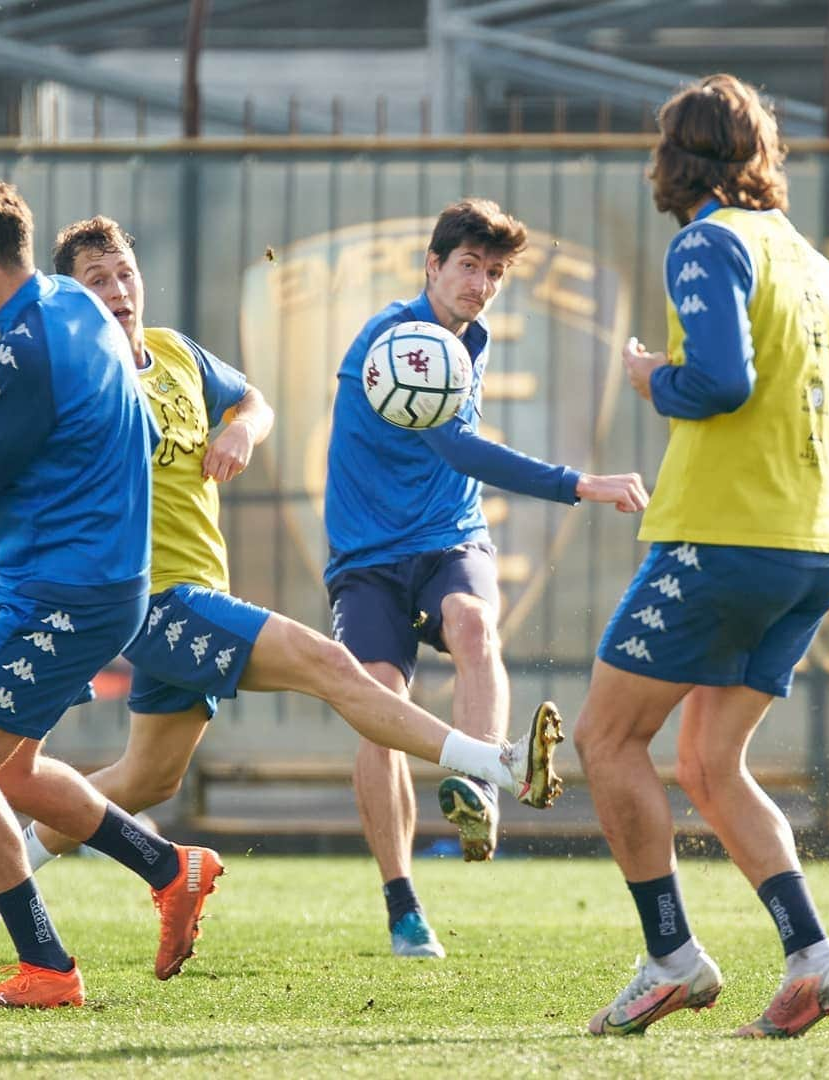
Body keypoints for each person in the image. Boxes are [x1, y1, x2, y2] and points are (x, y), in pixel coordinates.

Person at [0, 214, 568, 964]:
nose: (116, 292)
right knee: (330, 667)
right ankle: (491, 764)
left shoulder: (174, 354)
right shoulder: (65, 368)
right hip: (146, 600)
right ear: (73, 299)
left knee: (145, 777)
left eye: (124, 275)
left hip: (190, 591)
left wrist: (244, 427)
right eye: (96, 282)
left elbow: (253, 399)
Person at [573, 74, 829, 1038]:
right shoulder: (810, 262)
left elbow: (723, 383)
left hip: (726, 538)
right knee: (707, 760)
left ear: (677, 155)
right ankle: (813, 956)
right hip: (816, 544)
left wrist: (656, 379)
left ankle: (671, 957)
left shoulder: (706, 241)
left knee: (608, 742)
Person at [0, 178, 225, 1010]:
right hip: (92, 585)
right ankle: (169, 867)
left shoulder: (29, 347)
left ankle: (46, 967)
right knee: (12, 774)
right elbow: (143, 430)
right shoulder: (76, 309)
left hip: (64, 598)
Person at [324, 198, 649, 958]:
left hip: (447, 538)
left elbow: (457, 466)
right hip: (367, 557)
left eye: (495, 272)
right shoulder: (395, 341)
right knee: (378, 707)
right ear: (432, 266)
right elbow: (462, 450)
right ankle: (402, 901)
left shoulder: (475, 336)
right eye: (468, 265)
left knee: (474, 624)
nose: (481, 283)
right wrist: (580, 483)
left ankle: (478, 782)